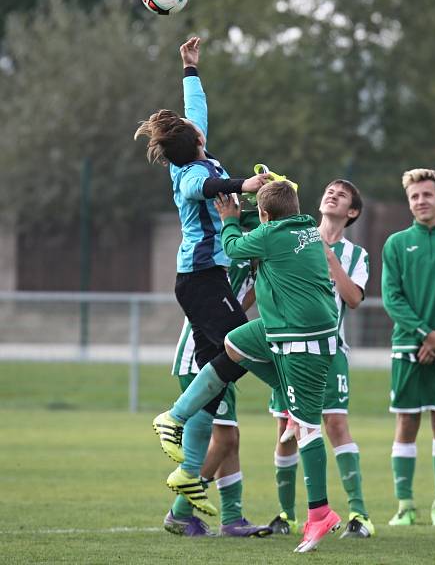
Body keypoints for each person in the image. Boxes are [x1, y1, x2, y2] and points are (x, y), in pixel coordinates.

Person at [152, 179, 342, 554]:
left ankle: (319, 513)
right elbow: (272, 217)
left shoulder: (268, 237)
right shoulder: (306, 228)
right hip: (284, 327)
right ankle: (174, 419)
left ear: (266, 216)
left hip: (300, 336)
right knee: (234, 342)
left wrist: (228, 218)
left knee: (307, 428)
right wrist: (258, 200)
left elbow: (233, 245)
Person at [134, 36, 268, 521]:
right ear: (195, 142)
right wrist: (245, 186)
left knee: (221, 373)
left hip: (208, 278)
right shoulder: (191, 172)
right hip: (202, 279)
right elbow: (208, 186)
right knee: (243, 349)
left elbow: (196, 109)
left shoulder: (194, 150)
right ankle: (172, 417)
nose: (198, 126)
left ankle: (189, 472)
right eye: (195, 129)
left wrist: (190, 68)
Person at [268, 179, 374, 539]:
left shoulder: (356, 256)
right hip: (288, 349)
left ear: (352, 211)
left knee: (336, 424)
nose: (332, 194)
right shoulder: (297, 238)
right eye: (328, 190)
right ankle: (286, 514)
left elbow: (354, 299)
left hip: (331, 352)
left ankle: (359, 514)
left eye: (342, 194)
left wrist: (329, 256)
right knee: (286, 428)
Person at [165, 208, 271, 537]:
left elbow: (243, 306)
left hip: (225, 353)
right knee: (225, 439)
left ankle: (232, 519)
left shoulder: (259, 259)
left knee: (230, 439)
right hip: (202, 358)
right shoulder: (230, 242)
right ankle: (179, 514)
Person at [381, 168, 435, 527]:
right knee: (406, 422)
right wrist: (423, 333)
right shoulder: (396, 244)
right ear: (409, 202)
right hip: (407, 345)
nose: (421, 201)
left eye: (427, 195)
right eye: (415, 196)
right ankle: (405, 504)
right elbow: (392, 297)